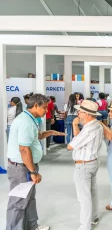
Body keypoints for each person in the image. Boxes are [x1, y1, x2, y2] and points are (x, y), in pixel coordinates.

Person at [7, 94, 65, 230]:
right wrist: (33, 171)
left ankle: (32, 226)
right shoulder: (25, 122)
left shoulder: (30, 118)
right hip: (21, 168)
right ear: (35, 106)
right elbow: (24, 149)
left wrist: (50, 132)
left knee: (29, 198)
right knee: (18, 202)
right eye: (45, 108)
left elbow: (36, 136)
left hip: (27, 166)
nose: (47, 111)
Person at [67, 100, 104, 229]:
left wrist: (74, 127)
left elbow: (71, 146)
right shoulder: (97, 125)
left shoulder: (88, 130)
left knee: (84, 197)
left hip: (83, 166)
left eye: (80, 111)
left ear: (87, 114)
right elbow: (79, 141)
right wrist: (75, 126)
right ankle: (94, 217)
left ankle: (85, 226)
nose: (78, 113)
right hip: (92, 163)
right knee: (92, 192)